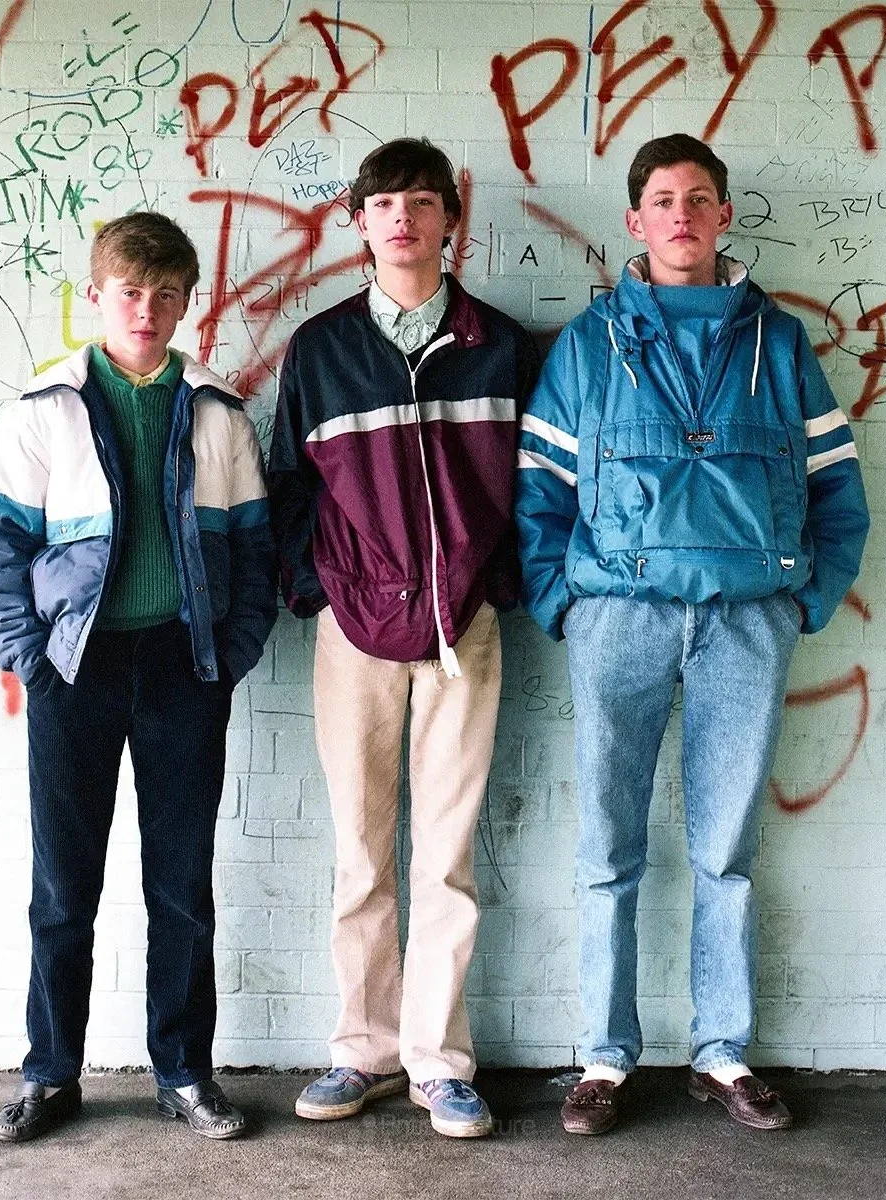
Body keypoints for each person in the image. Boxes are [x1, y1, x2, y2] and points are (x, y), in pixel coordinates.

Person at [515, 133, 869, 1134]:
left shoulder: (780, 343)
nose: (681, 214)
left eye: (699, 198)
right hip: (617, 617)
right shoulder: (590, 344)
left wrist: (805, 596)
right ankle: (605, 1057)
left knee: (727, 850)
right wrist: (563, 601)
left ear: (722, 218)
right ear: (636, 222)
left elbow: (839, 488)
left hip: (748, 619)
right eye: (663, 199)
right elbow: (540, 489)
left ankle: (722, 1053)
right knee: (607, 846)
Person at [0, 212, 277, 1143]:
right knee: (64, 886)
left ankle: (183, 1072)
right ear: (95, 296)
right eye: (130, 292)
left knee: (182, 886)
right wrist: (28, 654)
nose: (148, 310)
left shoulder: (217, 413)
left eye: (167, 295)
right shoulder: (45, 408)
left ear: (187, 304)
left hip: (185, 667)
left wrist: (236, 648)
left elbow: (255, 547)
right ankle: (52, 1073)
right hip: (77, 672)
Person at [268, 138, 538, 1138]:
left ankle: (438, 1062)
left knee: (449, 858)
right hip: (356, 633)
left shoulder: (499, 344)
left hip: (462, 627)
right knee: (361, 855)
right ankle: (363, 1052)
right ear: (359, 221)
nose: (403, 219)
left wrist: (492, 587)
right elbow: (290, 489)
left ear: (448, 220)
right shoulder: (323, 349)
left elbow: (532, 490)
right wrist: (320, 592)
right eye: (385, 203)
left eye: (423, 202)